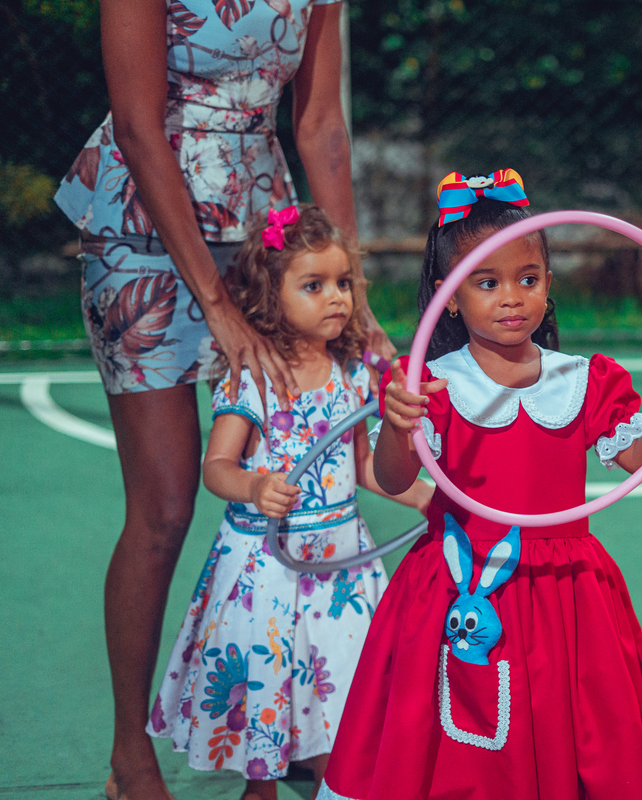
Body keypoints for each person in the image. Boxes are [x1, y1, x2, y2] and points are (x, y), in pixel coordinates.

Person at [52, 2, 394, 798]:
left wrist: (354, 292)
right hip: (141, 233)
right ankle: (129, 754)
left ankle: (278, 747)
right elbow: (137, 125)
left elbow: (319, 123)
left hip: (263, 240)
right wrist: (216, 306)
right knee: (168, 506)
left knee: (297, 484)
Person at [313, 170, 642, 800]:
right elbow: (395, 476)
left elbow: (640, 454)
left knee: (571, 725)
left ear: (548, 286)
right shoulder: (434, 384)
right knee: (454, 740)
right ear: (450, 297)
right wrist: (399, 423)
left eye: (527, 279)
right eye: (487, 282)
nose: (511, 297)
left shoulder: (580, 380)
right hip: (461, 584)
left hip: (567, 592)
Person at [146, 206, 431, 800]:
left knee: (342, 692)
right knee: (269, 688)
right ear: (271, 297)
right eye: (314, 285)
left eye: (344, 283)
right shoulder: (253, 377)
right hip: (267, 569)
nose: (337, 298)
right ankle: (265, 785)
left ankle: (335, 778)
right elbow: (217, 468)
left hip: (341, 567)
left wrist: (430, 501)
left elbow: (362, 471)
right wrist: (254, 486)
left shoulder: (354, 375)